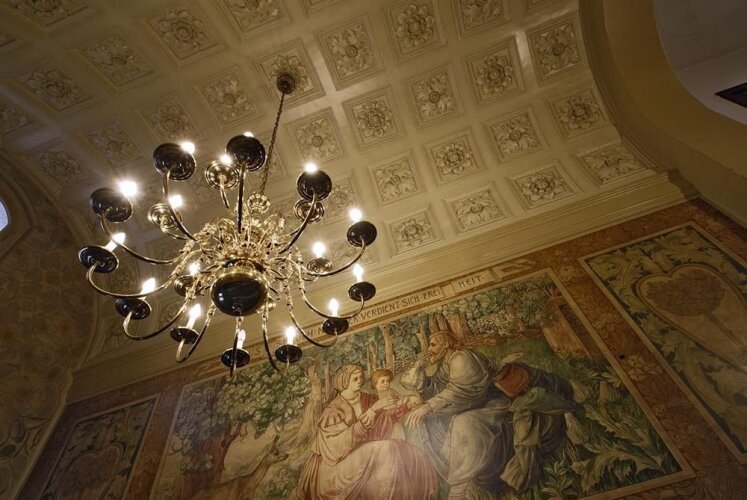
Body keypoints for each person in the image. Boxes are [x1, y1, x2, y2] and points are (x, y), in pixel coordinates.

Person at [402, 330, 573, 498]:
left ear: (445, 345)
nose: (429, 349)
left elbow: (464, 390)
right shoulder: (447, 362)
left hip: (497, 396)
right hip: (481, 397)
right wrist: (422, 382)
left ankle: (458, 490)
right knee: (435, 419)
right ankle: (453, 470)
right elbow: (440, 385)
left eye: (433, 345)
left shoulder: (462, 358)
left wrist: (429, 406)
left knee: (466, 423)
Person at [296, 364, 439, 500]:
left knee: (404, 448)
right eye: (355, 379)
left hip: (361, 450)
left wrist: (407, 405)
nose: (360, 381)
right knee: (387, 448)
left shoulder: (366, 398)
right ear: (344, 382)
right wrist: (372, 410)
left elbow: (384, 419)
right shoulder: (333, 410)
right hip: (337, 463)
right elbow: (339, 447)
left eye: (361, 378)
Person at [367, 368, 412, 440]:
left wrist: (403, 400)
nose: (386, 383)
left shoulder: (391, 391)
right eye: (382, 381)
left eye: (387, 381)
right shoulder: (374, 397)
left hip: (396, 415)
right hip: (384, 421)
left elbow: (399, 399)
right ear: (375, 384)